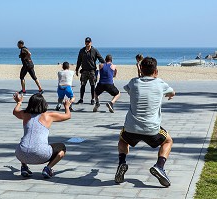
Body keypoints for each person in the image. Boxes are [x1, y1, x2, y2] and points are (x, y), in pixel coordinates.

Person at [115, 57, 175, 187]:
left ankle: (122, 163)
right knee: (168, 140)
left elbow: (129, 90)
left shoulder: (133, 82)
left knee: (122, 139)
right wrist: (169, 95)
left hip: (131, 128)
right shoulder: (160, 83)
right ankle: (159, 166)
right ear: (156, 71)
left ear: (141, 69)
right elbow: (172, 92)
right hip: (152, 129)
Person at [13, 93, 71, 178]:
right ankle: (48, 168)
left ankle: (24, 167)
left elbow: (15, 112)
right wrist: (67, 106)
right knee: (62, 147)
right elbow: (68, 116)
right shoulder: (48, 115)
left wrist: (19, 102)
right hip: (41, 155)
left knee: (24, 144)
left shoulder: (24, 114)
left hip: (20, 154)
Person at [75, 37, 105, 105]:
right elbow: (79, 61)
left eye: (88, 42)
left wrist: (106, 65)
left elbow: (101, 59)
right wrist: (77, 69)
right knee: (82, 85)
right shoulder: (82, 51)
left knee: (92, 85)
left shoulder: (94, 50)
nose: (87, 43)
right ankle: (81, 99)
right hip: (84, 71)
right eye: (86, 42)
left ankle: (92, 99)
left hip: (92, 71)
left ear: (91, 42)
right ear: (85, 42)